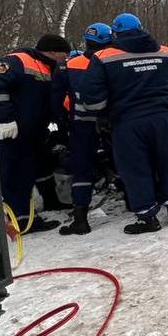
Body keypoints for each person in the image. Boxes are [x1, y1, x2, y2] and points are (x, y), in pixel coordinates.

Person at [80, 12, 168, 234]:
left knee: (135, 168)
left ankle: (147, 217)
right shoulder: (162, 50)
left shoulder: (103, 57)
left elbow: (93, 98)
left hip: (127, 122)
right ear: (141, 28)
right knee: (167, 162)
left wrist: (104, 114)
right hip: (161, 118)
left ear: (116, 33)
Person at [0, 34, 72, 235]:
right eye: (63, 56)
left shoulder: (49, 68)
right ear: (52, 52)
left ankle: (22, 219)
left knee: (22, 174)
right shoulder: (17, 61)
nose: (64, 60)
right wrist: (5, 119)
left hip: (25, 134)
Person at [58, 23, 113, 235]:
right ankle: (134, 204)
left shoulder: (70, 65)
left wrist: (63, 121)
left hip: (81, 124)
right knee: (125, 161)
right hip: (110, 121)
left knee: (82, 170)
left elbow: (56, 97)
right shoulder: (111, 59)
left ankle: (80, 218)